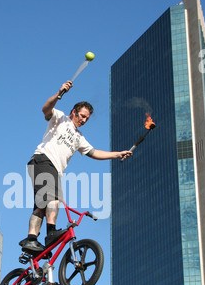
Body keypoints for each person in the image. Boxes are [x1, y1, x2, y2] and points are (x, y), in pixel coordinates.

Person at [20, 80, 132, 254]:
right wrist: (59, 94)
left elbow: (94, 153)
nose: (84, 120)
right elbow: (45, 109)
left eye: (87, 118)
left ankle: (31, 240)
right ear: (74, 112)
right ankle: (51, 234)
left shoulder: (79, 138)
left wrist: (117, 154)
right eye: (82, 116)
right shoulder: (60, 118)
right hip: (43, 160)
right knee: (53, 197)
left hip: (54, 170)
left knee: (41, 206)